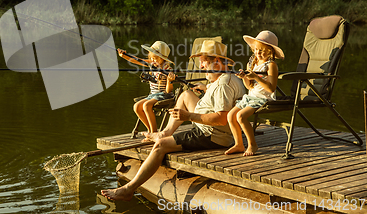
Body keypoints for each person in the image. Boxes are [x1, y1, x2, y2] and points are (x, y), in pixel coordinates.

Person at [102, 40, 245, 201]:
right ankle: (163, 133)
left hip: (211, 134)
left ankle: (128, 189)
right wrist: (206, 89)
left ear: (217, 62)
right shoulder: (225, 79)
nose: (201, 66)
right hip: (211, 127)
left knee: (160, 146)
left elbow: (221, 119)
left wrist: (188, 116)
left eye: (203, 61)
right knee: (185, 95)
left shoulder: (223, 85)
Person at [224, 30, 285, 156]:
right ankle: (239, 144)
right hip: (251, 97)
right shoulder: (252, 63)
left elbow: (271, 88)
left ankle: (252, 144)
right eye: (256, 49)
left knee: (240, 116)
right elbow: (249, 86)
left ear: (270, 51)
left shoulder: (271, 65)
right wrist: (245, 78)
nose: (258, 53)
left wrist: (257, 77)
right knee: (230, 116)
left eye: (262, 50)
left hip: (263, 98)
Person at [117, 41, 175, 134]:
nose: (153, 60)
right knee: (136, 107)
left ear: (163, 58)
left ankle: (154, 132)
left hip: (164, 95)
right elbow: (136, 60)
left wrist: (169, 81)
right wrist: (124, 55)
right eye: (151, 58)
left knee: (146, 105)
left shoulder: (167, 69)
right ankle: (150, 130)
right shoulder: (152, 64)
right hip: (152, 95)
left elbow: (168, 91)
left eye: (156, 58)